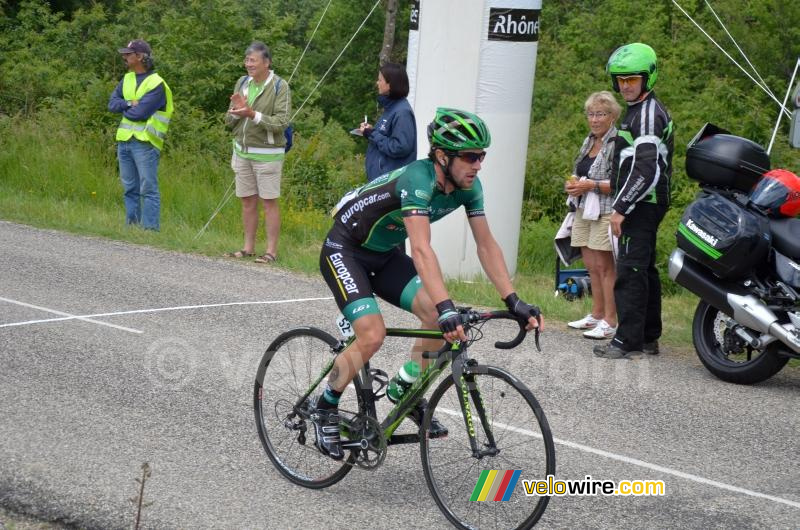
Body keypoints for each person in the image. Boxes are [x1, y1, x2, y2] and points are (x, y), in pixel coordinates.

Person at [313, 108, 542, 460]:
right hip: (346, 250)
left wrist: (513, 299)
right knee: (372, 335)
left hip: (384, 254)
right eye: (470, 156)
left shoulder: (469, 187)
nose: (478, 164)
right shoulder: (418, 180)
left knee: (436, 319)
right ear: (441, 155)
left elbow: (486, 244)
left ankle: (403, 388)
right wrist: (447, 305)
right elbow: (420, 249)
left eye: (481, 156)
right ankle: (325, 406)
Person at [593, 43, 674, 360]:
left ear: (647, 78)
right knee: (645, 270)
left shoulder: (648, 115)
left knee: (631, 269)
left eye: (632, 79)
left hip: (643, 202)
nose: (625, 85)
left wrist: (621, 208)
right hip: (645, 201)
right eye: (620, 79)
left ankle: (627, 340)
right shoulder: (639, 110)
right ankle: (648, 336)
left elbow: (646, 168)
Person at [224, 41, 291, 263]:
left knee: (269, 202)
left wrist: (252, 114)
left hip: (268, 155)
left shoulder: (280, 86)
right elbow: (228, 121)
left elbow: (281, 122)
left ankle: (271, 252)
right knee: (246, 201)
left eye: (253, 60)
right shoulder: (242, 82)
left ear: (267, 62)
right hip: (241, 152)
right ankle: (248, 248)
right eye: (246, 60)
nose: (248, 64)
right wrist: (236, 112)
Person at [565, 91, 622, 340]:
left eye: (600, 114)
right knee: (590, 265)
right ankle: (596, 314)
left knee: (605, 266)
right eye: (591, 114)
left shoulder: (618, 142)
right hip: (583, 208)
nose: (595, 119)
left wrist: (589, 185)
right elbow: (581, 171)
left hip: (606, 209)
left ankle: (611, 320)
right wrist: (575, 184)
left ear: (612, 116)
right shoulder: (588, 141)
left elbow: (620, 182)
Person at [108, 39, 173, 231]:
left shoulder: (157, 83)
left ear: (140, 57)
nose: (124, 57)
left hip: (145, 143)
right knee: (129, 188)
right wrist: (130, 103)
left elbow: (140, 114)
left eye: (128, 54)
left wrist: (127, 106)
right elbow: (112, 105)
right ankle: (132, 228)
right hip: (124, 142)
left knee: (148, 189)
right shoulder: (126, 78)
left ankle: (150, 230)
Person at [360, 63, 417, 182]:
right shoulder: (391, 108)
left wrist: (372, 134)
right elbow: (384, 136)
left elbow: (400, 147)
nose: (377, 83)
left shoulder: (402, 112)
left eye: (380, 80)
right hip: (381, 181)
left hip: (391, 184)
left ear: (390, 84)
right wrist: (370, 131)